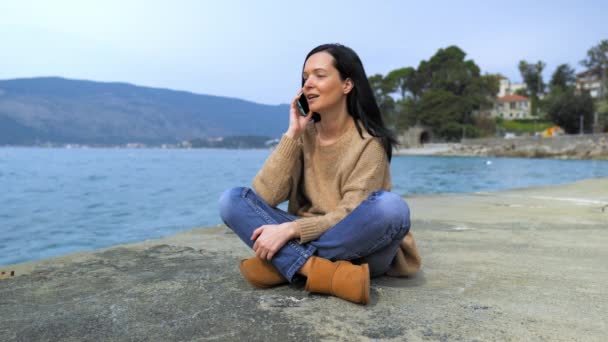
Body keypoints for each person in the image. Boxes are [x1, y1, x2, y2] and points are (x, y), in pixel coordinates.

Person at [219, 43, 421, 305]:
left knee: (391, 208)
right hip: (312, 236)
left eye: (319, 75)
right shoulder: (304, 136)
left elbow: (351, 212)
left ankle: (285, 264)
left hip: (359, 245)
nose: (308, 84)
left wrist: (292, 230)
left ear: (347, 84)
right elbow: (266, 196)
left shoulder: (369, 143)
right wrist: (293, 134)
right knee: (232, 200)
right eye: (305, 77)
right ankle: (317, 271)